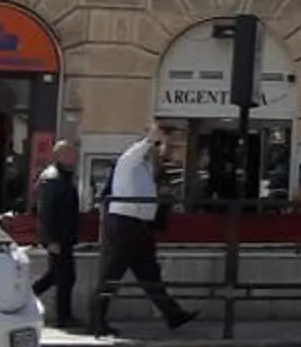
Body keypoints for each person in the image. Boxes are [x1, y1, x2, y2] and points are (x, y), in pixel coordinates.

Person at [92, 122, 195, 333]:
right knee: (112, 274)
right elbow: (143, 147)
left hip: (139, 226)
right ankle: (96, 321)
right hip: (124, 224)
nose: (162, 152)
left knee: (149, 274)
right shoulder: (129, 160)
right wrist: (152, 137)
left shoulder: (146, 168)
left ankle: (173, 315)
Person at [30, 140, 83, 333]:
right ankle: (63, 316)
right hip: (58, 237)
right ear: (59, 155)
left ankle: (28, 297)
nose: (74, 158)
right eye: (70, 154)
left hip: (64, 236)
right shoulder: (52, 179)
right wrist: (50, 240)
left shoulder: (63, 177)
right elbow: (46, 212)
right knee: (64, 277)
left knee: (58, 276)